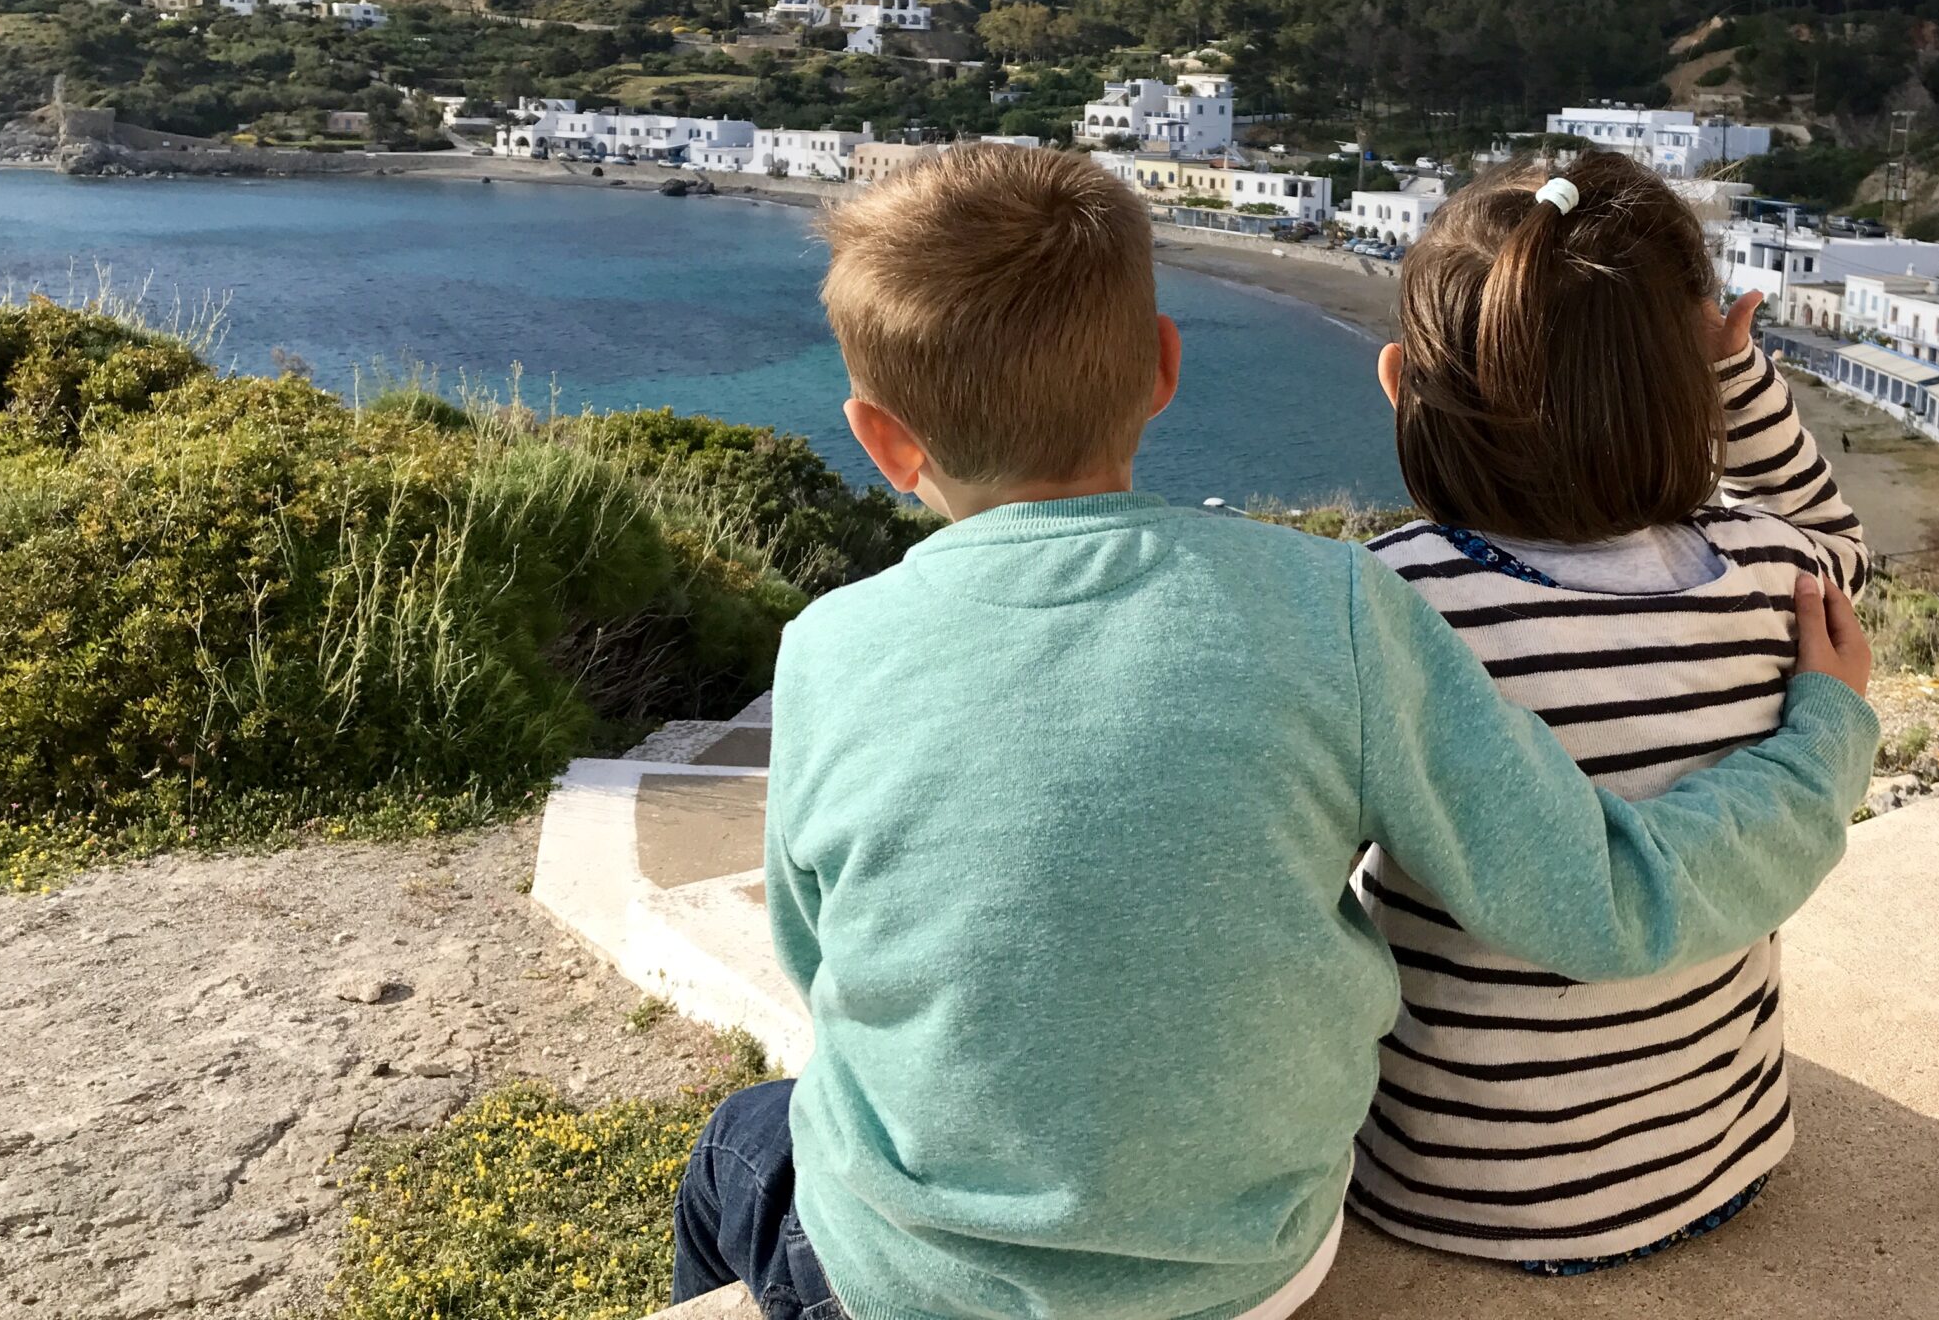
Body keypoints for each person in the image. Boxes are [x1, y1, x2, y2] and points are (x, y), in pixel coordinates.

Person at [671, 146, 1877, 1320]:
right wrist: (1828, 736)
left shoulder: (829, 644)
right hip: (1250, 1269)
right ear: (1160, 368)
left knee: (738, 1140)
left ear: (880, 439)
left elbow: (819, 955)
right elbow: (1597, 891)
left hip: (924, 1285)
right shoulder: (1329, 605)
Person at [1350, 150, 1871, 1272]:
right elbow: (1839, 543)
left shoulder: (1389, 606)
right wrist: (1734, 373)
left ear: (1402, 381)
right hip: (1713, 1161)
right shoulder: (1778, 575)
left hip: (1450, 1187)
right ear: (1694, 375)